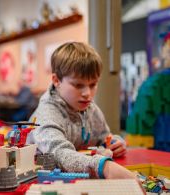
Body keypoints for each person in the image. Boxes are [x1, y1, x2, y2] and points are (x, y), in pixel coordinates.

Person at [27, 42, 135, 179]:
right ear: (56, 80)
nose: (87, 93)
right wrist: (103, 166)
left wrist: (115, 143)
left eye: (93, 84)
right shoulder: (46, 114)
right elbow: (59, 154)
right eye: (78, 85)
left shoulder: (90, 107)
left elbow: (104, 138)